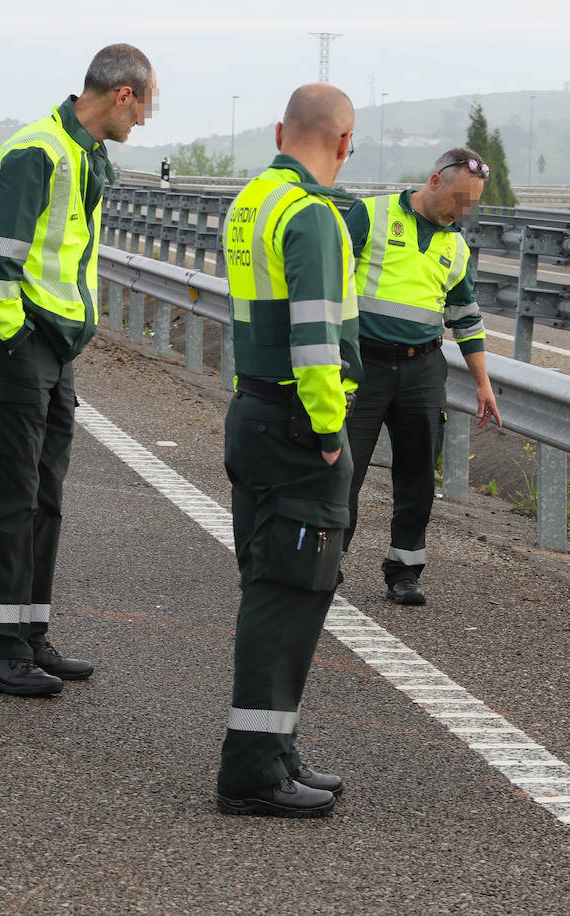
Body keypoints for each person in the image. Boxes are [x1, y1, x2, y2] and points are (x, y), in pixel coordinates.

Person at [0, 44, 156, 698]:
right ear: (122, 94)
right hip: (21, 339)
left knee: (46, 491)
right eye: (143, 109)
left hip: (53, 344)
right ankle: (1, 648)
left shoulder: (81, 155)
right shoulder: (40, 151)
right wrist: (18, 340)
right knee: (15, 490)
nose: (141, 126)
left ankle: (31, 633)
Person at [215, 84, 361, 818]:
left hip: (255, 412)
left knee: (272, 580)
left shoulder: (251, 201)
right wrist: (332, 435)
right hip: (298, 425)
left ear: (281, 130)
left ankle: (275, 751)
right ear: (342, 142)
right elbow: (316, 341)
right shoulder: (312, 217)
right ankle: (252, 772)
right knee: (289, 592)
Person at [342, 147, 503, 606]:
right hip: (363, 365)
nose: (464, 211)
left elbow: (465, 317)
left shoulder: (455, 245)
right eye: (459, 198)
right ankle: (326, 562)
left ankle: (404, 570)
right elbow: (331, 279)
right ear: (435, 182)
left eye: (472, 203)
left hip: (422, 368)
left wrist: (483, 382)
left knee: (417, 475)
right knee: (343, 468)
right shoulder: (369, 214)